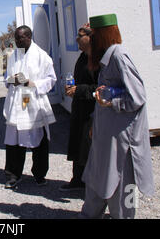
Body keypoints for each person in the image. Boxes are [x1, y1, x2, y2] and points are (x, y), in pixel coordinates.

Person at [79, 13, 154, 219]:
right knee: (97, 178)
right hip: (105, 137)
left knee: (122, 184)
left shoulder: (119, 56)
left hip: (121, 142)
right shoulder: (106, 58)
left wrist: (112, 102)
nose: (90, 39)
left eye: (93, 35)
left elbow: (137, 97)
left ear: (103, 35)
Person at [3, 25, 57, 189]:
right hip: (16, 100)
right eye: (15, 38)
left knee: (38, 141)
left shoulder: (42, 56)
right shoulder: (14, 55)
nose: (17, 41)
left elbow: (51, 79)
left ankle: (39, 174)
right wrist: (12, 80)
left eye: (20, 38)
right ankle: (14, 174)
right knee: (14, 142)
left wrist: (30, 83)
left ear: (29, 37)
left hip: (32, 101)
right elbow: (7, 77)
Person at [60, 25, 99, 192]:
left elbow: (101, 88)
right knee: (78, 145)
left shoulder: (99, 59)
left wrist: (80, 90)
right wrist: (72, 90)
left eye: (80, 35)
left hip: (93, 111)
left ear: (90, 37)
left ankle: (93, 184)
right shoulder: (83, 57)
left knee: (89, 148)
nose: (76, 38)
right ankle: (78, 179)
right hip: (79, 108)